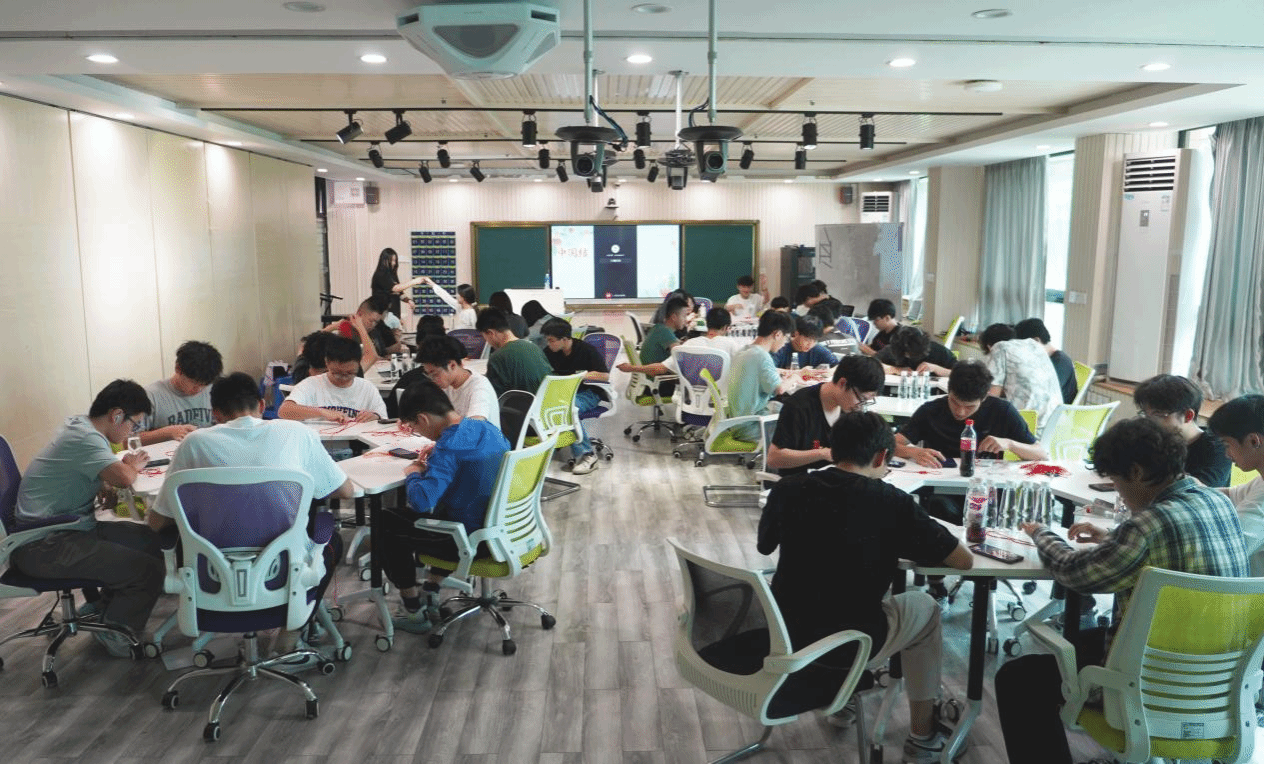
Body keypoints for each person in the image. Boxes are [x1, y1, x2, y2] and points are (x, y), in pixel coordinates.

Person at [995, 417, 1248, 764]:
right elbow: (1167, 543)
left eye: (1116, 481)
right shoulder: (1218, 503)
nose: (1119, 493)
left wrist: (1042, 534)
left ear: (1137, 473)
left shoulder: (1146, 526)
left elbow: (1075, 573)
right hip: (1219, 684)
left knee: (1018, 679)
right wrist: (1116, 538)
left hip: (1150, 684)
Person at [758, 411, 973, 764]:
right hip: (850, 643)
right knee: (924, 608)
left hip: (786, 633)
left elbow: (765, 545)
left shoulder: (787, 489)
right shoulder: (892, 501)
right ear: (881, 457)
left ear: (833, 449)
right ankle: (922, 736)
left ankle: (842, 701)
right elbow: (962, 561)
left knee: (845, 596)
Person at [147, 372, 356, 661]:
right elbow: (345, 490)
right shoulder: (297, 433)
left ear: (215, 413)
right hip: (284, 571)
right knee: (330, 539)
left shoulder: (194, 444)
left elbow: (157, 522)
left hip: (212, 576)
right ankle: (291, 632)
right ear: (261, 405)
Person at [12, 379, 163, 657]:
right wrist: (131, 465)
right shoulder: (85, 438)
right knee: (145, 569)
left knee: (151, 541)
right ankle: (117, 633)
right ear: (117, 415)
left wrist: (102, 484)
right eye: (134, 424)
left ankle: (104, 609)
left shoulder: (82, 427)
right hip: (43, 545)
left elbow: (92, 475)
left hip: (62, 531)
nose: (133, 431)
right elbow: (124, 477)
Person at [379, 378, 511, 634]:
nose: (418, 433)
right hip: (500, 529)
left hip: (467, 540)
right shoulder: (488, 429)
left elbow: (421, 501)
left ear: (423, 419)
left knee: (386, 522)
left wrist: (414, 473)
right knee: (447, 509)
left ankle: (413, 610)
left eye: (415, 427)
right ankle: (431, 588)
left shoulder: (448, 448)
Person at [895, 361, 1048, 468]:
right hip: (937, 484)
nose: (960, 412)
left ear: (984, 398)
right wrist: (912, 451)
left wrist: (1010, 444)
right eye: (954, 402)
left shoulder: (1002, 411)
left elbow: (1041, 454)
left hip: (984, 485)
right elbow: (889, 444)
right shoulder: (930, 411)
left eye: (969, 407)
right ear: (948, 391)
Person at [767, 355, 884, 476]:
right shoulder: (800, 405)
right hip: (801, 482)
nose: (860, 406)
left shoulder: (849, 409)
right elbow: (773, 459)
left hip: (836, 480)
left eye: (866, 401)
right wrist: (822, 454)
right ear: (842, 383)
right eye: (861, 399)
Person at [1134, 373, 1230, 487]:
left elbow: (1201, 491)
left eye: (1158, 414)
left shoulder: (1218, 447)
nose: (1149, 422)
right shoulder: (1153, 439)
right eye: (1145, 414)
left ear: (1188, 415)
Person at [541, 318, 609, 475]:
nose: (549, 344)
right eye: (547, 340)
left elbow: (604, 375)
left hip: (589, 393)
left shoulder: (586, 350)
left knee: (568, 409)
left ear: (565, 339)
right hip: (563, 394)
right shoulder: (549, 353)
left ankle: (588, 455)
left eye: (551, 340)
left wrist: (579, 376)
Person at [1208, 394, 1264, 574]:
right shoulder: (1260, 482)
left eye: (1227, 445)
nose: (1227, 454)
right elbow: (1230, 495)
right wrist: (1188, 489)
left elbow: (1225, 551)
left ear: (1254, 441)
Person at [278, 335, 388, 423]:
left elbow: (383, 418)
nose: (343, 378)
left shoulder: (367, 388)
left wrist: (375, 416)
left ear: (358, 365)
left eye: (350, 373)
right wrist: (322, 412)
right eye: (337, 373)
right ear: (327, 363)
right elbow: (284, 411)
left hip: (355, 442)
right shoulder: (310, 385)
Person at [725, 310, 795, 440]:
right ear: (778, 334)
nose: (785, 343)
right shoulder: (762, 356)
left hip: (736, 421)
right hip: (750, 427)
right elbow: (779, 389)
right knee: (799, 421)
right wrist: (795, 377)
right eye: (786, 338)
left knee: (786, 410)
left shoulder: (745, 350)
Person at [138, 340, 224, 446]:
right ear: (178, 368)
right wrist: (167, 433)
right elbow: (128, 441)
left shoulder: (215, 390)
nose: (199, 389)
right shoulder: (151, 395)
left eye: (204, 385)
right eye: (194, 383)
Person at [979, 323, 1064, 430]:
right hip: (1058, 425)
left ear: (989, 346)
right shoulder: (1034, 345)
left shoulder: (1000, 347)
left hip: (1031, 427)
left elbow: (992, 396)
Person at [407, 334, 500, 429]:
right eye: (428, 374)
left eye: (434, 374)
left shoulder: (479, 388)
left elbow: (475, 426)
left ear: (452, 365)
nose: (432, 379)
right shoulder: (448, 383)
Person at [477, 307, 552, 398]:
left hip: (521, 405)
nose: (487, 342)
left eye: (484, 337)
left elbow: (492, 397)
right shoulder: (535, 348)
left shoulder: (497, 357)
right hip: (546, 403)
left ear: (491, 333)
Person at [1014, 317, 1077, 403]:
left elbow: (1041, 392)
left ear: (1036, 341)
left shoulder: (1060, 362)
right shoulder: (1047, 359)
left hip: (1054, 409)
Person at [397, 276, 477, 330]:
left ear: (464, 297)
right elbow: (446, 296)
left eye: (459, 294)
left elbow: (475, 332)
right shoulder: (460, 307)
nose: (457, 296)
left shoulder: (471, 313)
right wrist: (431, 283)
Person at [325, 297, 383, 371]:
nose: (373, 325)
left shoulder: (372, 331)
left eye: (376, 322)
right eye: (371, 320)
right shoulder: (347, 328)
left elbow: (377, 353)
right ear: (359, 315)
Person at [876, 325, 957, 376]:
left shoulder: (938, 351)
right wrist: (895, 369)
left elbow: (960, 374)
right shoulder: (894, 349)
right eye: (906, 354)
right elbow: (871, 365)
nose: (909, 356)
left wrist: (936, 368)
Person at [772, 315, 838, 369]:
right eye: (808, 339)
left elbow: (837, 366)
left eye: (815, 340)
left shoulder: (818, 349)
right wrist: (799, 373)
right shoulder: (780, 347)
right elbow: (769, 370)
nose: (811, 344)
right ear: (796, 334)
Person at [370, 247, 406, 318]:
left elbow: (400, 293)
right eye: (392, 260)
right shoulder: (380, 275)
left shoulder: (392, 275)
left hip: (394, 315)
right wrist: (415, 281)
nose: (394, 263)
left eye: (395, 261)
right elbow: (395, 288)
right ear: (384, 260)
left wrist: (408, 300)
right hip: (383, 316)